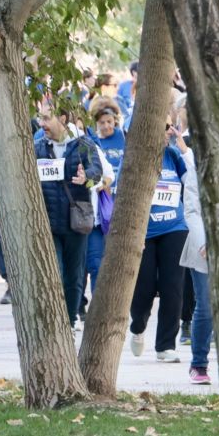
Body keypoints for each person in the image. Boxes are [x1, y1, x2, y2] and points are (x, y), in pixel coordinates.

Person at [127, 98, 191, 361]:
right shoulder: (136, 157)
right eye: (165, 127)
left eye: (171, 126)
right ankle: (138, 326)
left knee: (173, 287)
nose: (169, 131)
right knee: (142, 289)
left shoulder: (174, 155)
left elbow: (195, 181)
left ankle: (166, 345)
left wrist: (185, 150)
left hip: (175, 227)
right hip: (145, 232)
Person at [35, 101, 103, 326]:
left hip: (77, 222)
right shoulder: (38, 147)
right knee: (55, 273)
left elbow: (97, 172)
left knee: (74, 277)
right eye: (40, 118)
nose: (41, 123)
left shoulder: (84, 145)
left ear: (62, 119)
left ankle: (70, 320)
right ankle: (54, 322)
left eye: (46, 118)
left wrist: (87, 178)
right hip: (49, 222)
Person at [178, 111, 213, 384]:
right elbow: (191, 210)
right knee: (206, 305)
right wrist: (204, 241)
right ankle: (199, 364)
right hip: (203, 246)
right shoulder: (195, 169)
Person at [82, 97, 127, 312]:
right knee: (95, 260)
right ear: (96, 124)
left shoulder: (123, 137)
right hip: (100, 205)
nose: (107, 126)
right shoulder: (92, 142)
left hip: (118, 201)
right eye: (102, 123)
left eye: (110, 122)